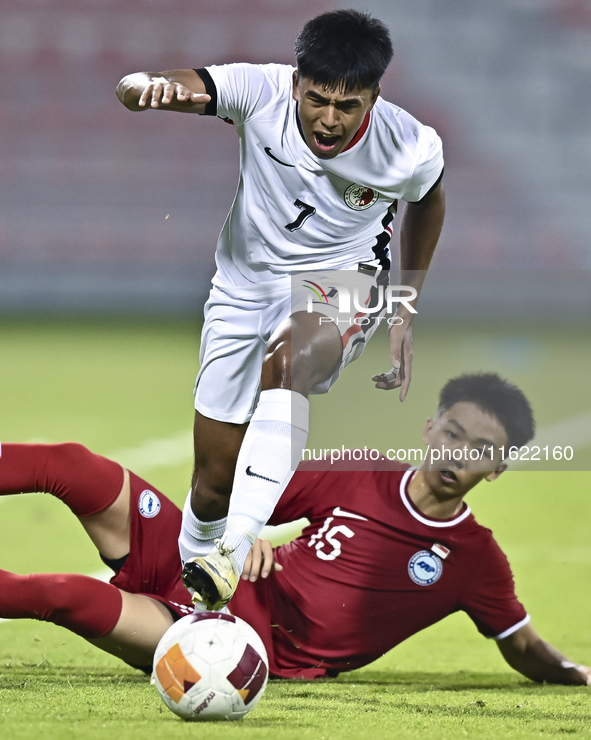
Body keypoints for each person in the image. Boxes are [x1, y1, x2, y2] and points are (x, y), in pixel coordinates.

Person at [116, 9, 446, 610]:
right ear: (296, 82)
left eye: (348, 106)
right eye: (317, 99)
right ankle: (190, 610)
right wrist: (146, 92)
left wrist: (406, 305)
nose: (328, 119)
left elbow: (427, 201)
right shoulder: (259, 90)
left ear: (374, 96)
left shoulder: (410, 145)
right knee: (212, 484)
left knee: (291, 357)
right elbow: (146, 82)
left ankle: (235, 550)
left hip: (343, 279)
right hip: (242, 287)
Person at [1, 374, 590, 685]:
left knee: (67, 595)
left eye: (482, 449)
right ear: (431, 426)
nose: (458, 452)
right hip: (208, 563)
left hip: (240, 640)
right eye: (455, 432)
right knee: (73, 465)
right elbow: (238, 491)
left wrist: (575, 674)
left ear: (497, 469)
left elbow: (522, 646)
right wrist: (246, 529)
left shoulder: (475, 559)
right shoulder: (361, 470)